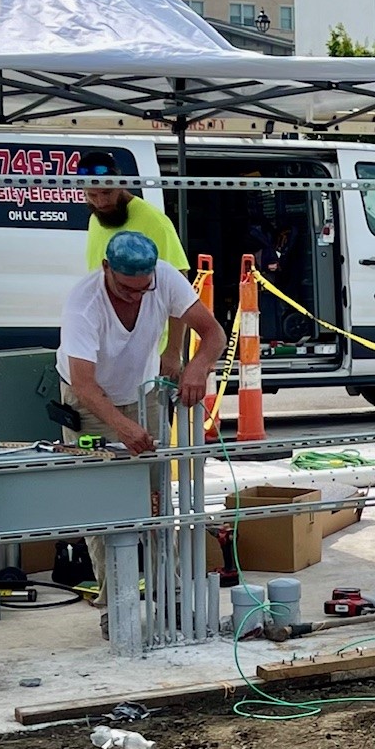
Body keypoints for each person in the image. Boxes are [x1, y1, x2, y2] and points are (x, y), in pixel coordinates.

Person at [56, 231, 227, 608]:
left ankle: (171, 592)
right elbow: (84, 385)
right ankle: (114, 604)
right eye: (126, 290)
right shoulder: (83, 305)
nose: (136, 296)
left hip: (142, 391)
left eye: (143, 290)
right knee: (102, 504)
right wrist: (121, 426)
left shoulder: (163, 277)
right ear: (106, 269)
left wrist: (197, 366)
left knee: (157, 497)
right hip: (90, 401)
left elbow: (214, 333)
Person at [78, 150, 190, 274]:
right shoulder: (97, 218)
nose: (101, 202)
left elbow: (178, 280)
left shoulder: (154, 222)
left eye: (107, 192)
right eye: (92, 195)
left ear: (122, 183)